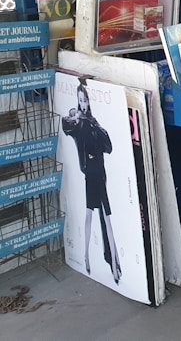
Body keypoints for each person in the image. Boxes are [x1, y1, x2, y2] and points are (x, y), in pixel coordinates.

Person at [61, 82, 122, 284]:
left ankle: (114, 262)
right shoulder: (77, 122)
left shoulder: (93, 122)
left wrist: (94, 124)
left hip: (99, 172)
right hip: (90, 174)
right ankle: (87, 255)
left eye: (84, 100)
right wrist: (75, 116)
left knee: (107, 218)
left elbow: (108, 146)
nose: (83, 105)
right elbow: (66, 125)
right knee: (90, 214)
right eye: (80, 101)